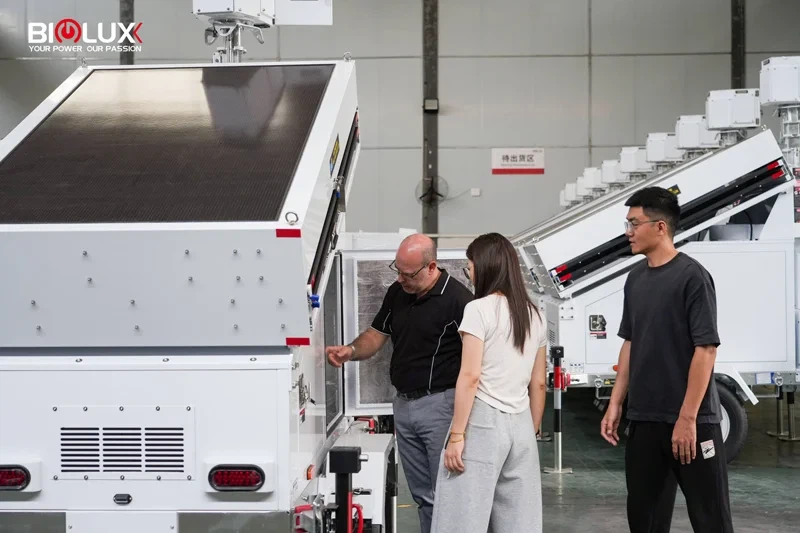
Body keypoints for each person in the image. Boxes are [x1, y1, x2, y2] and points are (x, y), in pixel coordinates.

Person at [600, 187, 733, 533]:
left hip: (692, 422)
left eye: (634, 223)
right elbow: (630, 342)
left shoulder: (692, 276)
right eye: (627, 224)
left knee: (710, 520)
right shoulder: (635, 279)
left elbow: (706, 350)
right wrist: (616, 403)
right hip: (644, 421)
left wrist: (687, 418)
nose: (628, 232)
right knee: (644, 520)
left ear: (660, 227)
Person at [326, 233, 473, 533]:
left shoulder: (459, 302)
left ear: (432, 267)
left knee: (448, 494)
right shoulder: (398, 292)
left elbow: (476, 361)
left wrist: (460, 428)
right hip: (403, 407)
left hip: (441, 407)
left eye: (409, 274)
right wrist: (350, 351)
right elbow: (377, 334)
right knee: (423, 495)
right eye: (398, 270)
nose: (402, 279)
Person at [430, 232, 547, 533]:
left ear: (484, 267)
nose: (468, 272)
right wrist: (530, 430)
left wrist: (457, 436)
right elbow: (539, 383)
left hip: (483, 422)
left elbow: (470, 376)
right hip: (521, 423)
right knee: (519, 522)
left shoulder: (479, 309)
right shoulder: (535, 314)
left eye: (470, 265)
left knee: (461, 520)